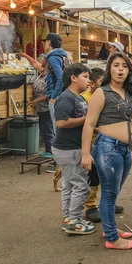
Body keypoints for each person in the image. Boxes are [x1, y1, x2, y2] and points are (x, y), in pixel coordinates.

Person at [81, 52, 132, 250]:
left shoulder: (130, 93)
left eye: (124, 66)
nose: (120, 69)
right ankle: (113, 238)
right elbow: (89, 124)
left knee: (113, 192)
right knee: (108, 193)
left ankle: (109, 228)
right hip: (108, 148)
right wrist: (85, 153)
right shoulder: (101, 92)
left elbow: (131, 120)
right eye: (116, 65)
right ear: (109, 69)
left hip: (124, 149)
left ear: (129, 70)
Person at [53, 63, 96, 235]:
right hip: (68, 150)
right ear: (73, 78)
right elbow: (61, 122)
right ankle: (74, 221)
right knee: (81, 186)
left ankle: (68, 218)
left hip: (70, 149)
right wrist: (87, 120)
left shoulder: (78, 97)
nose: (88, 81)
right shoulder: (66, 98)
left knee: (69, 186)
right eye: (85, 76)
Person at [81, 68, 106, 224]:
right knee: (93, 177)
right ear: (92, 83)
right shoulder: (85, 99)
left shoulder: (105, 95)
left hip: (104, 142)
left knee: (108, 175)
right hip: (91, 144)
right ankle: (90, 207)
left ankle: (106, 203)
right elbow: (86, 124)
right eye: (102, 82)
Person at [28, 54, 54, 159]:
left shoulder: (50, 76)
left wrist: (37, 100)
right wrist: (25, 55)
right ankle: (48, 149)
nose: (40, 61)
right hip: (40, 107)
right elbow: (34, 63)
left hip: (47, 106)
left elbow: (50, 93)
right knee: (44, 127)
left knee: (48, 128)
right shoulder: (42, 72)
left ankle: (51, 151)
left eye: (43, 59)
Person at [45, 33, 69, 130]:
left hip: (57, 96)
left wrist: (54, 97)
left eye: (46, 42)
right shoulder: (63, 56)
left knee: (57, 128)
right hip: (65, 94)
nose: (45, 44)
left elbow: (61, 77)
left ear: (49, 43)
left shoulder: (53, 58)